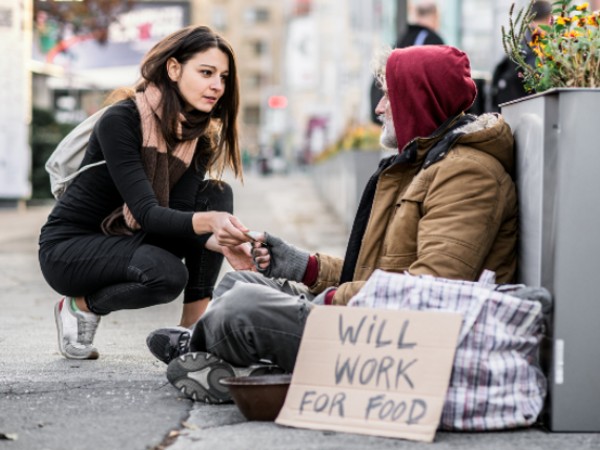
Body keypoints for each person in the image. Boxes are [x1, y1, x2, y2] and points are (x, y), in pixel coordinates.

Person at [147, 45, 518, 404]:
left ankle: (207, 352)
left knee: (241, 306)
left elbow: (429, 291)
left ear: (419, 98)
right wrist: (301, 265)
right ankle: (240, 366)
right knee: (240, 282)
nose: (379, 107)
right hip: (377, 319)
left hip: (402, 341)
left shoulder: (468, 174)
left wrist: (326, 302)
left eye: (388, 95)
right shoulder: (425, 164)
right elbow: (375, 273)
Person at [39, 25, 256, 361]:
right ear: (173, 68)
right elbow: (148, 213)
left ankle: (191, 331)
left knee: (216, 193)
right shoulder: (120, 120)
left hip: (133, 238)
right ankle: (79, 307)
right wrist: (210, 224)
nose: (217, 85)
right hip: (70, 248)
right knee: (167, 274)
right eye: (206, 72)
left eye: (224, 77)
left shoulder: (197, 138)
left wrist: (224, 240)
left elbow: (179, 214)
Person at [370, 0, 444, 122]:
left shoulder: (404, 37)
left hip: (391, 116)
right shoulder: (433, 40)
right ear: (436, 16)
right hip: (411, 118)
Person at [490, 1, 552, 111]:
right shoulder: (536, 45)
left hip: (510, 110)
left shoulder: (519, 44)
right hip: (529, 109)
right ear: (549, 19)